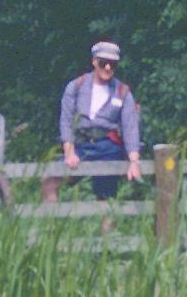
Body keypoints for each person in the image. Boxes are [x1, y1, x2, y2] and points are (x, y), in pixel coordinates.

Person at [56, 42, 143, 202]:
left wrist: (134, 161)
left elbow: (131, 128)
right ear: (94, 62)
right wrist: (69, 152)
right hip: (80, 144)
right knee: (50, 181)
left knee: (106, 197)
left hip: (108, 147)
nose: (108, 68)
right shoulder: (76, 86)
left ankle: (107, 227)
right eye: (103, 63)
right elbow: (66, 121)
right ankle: (52, 223)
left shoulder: (123, 92)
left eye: (113, 64)